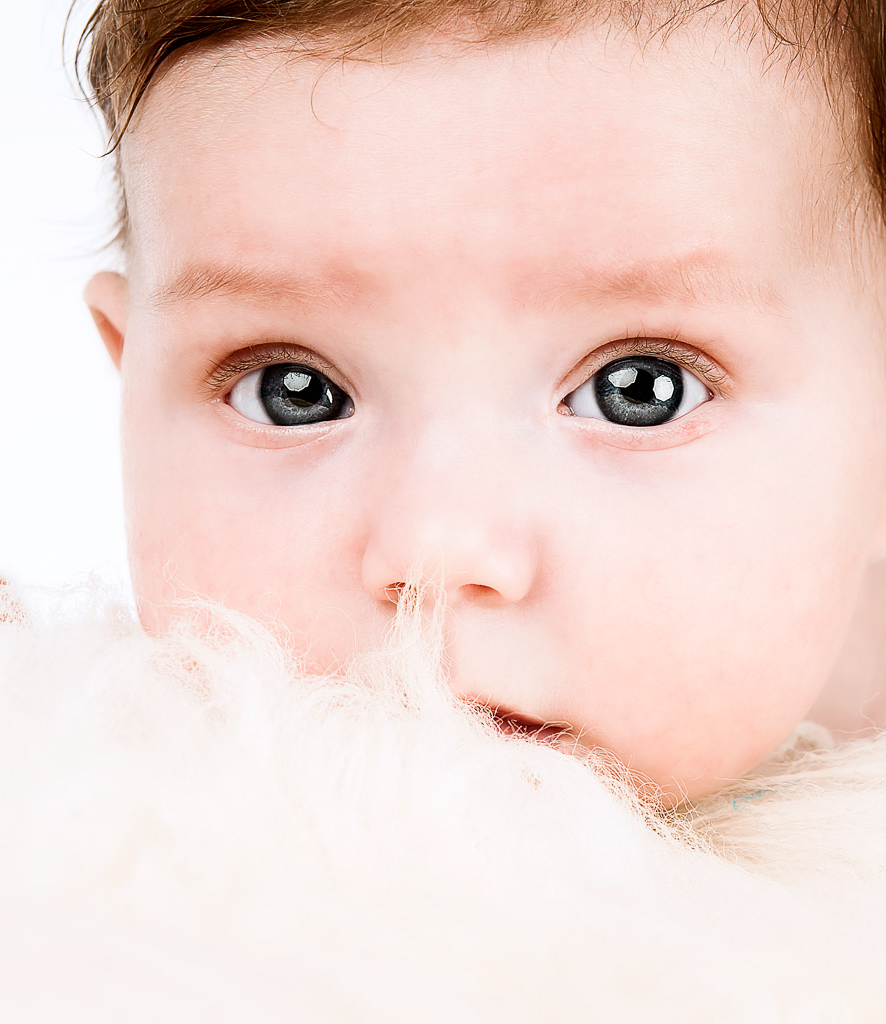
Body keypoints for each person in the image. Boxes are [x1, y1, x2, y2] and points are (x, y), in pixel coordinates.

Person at [73, 0, 886, 804]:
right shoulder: (72, 810)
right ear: (129, 380)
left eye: (638, 390)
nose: (437, 550)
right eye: (295, 394)